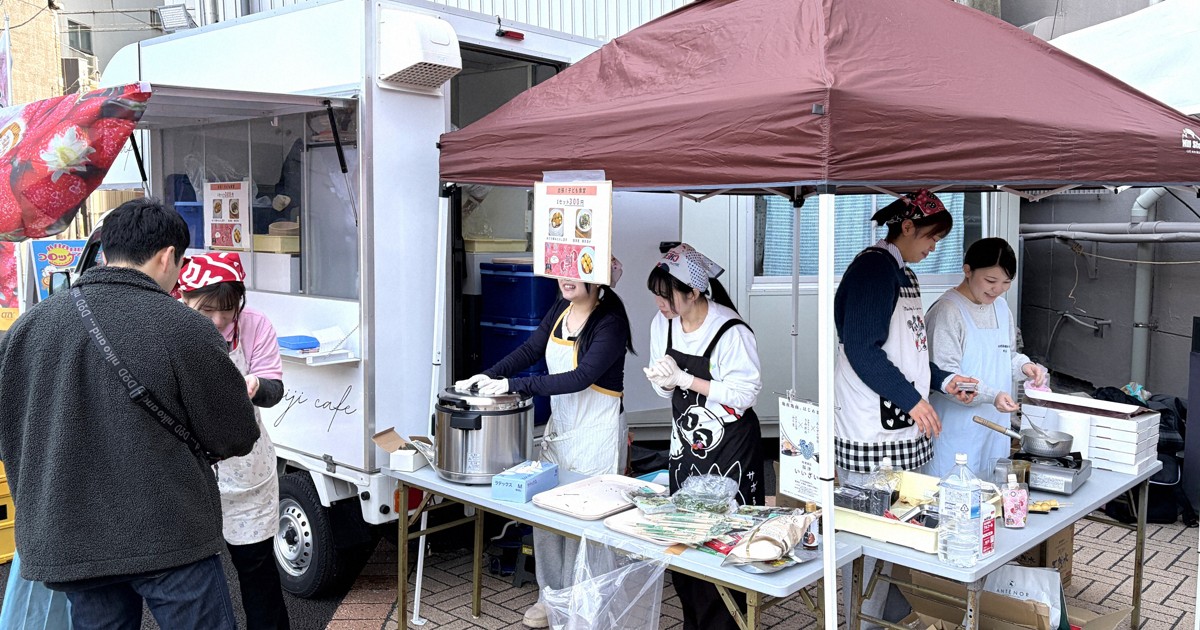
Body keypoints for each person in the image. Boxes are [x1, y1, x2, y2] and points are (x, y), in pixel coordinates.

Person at [0, 198, 259, 629]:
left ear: (105, 252)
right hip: (169, 530)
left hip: (71, 534)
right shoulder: (183, 326)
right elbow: (234, 434)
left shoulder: (28, 327)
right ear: (167, 257)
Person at [455, 259, 634, 629]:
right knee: (548, 515)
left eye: (576, 270)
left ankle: (582, 603)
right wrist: (488, 375)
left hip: (596, 436)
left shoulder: (610, 322)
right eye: (563, 269)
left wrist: (516, 385)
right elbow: (529, 350)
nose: (565, 278)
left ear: (597, 275)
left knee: (586, 523)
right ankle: (550, 597)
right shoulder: (560, 309)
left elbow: (581, 378)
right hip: (561, 429)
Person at [832, 190, 975, 626]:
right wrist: (913, 399)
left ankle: (889, 614)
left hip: (900, 422)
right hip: (872, 427)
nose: (935, 246)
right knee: (874, 530)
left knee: (900, 527)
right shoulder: (872, 271)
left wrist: (943, 381)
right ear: (907, 227)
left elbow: (909, 352)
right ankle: (863, 617)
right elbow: (862, 348)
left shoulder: (902, 273)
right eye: (932, 236)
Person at [644, 243, 763, 630]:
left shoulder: (730, 330)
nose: (661, 304)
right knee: (684, 540)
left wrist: (686, 378)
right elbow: (665, 390)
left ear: (694, 291)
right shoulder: (661, 324)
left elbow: (746, 394)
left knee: (724, 542)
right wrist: (664, 382)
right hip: (686, 446)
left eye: (667, 296)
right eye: (657, 295)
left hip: (731, 448)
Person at [176, 252, 291, 630]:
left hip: (246, 465)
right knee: (192, 577)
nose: (219, 320)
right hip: (185, 468)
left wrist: (256, 385)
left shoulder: (255, 325)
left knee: (256, 568)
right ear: (185, 295)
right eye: (207, 309)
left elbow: (275, 389)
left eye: (228, 310)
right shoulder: (167, 324)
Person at [926, 237, 1047, 478]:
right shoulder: (947, 311)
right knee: (950, 497)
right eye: (991, 280)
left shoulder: (1001, 308)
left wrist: (1025, 367)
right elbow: (945, 379)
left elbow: (1005, 355)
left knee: (990, 495)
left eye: (1006, 282)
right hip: (955, 429)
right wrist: (993, 395)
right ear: (967, 270)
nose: (997, 289)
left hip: (994, 427)